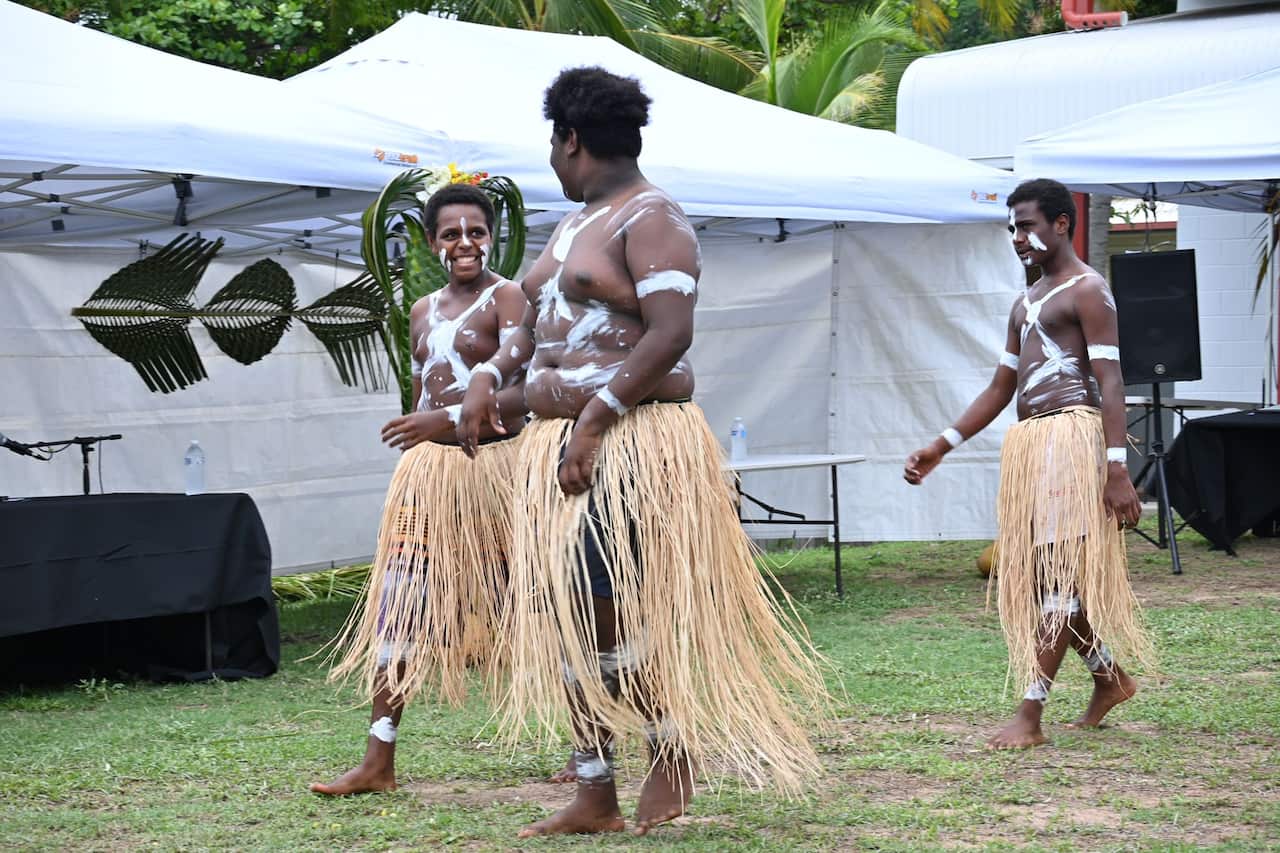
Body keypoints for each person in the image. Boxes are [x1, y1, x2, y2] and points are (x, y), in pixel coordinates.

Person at [456, 67, 828, 837]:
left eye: (553, 146)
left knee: (609, 604)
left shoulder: (653, 217)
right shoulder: (569, 228)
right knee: (561, 615)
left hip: (628, 440)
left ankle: (671, 741)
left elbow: (670, 333)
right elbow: (528, 335)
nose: (554, 161)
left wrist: (596, 418)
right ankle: (594, 789)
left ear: (571, 139)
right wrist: (488, 380)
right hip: (555, 441)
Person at [904, 178, 1153, 749]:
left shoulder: (1088, 291)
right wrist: (941, 444)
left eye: (1028, 225)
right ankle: (1108, 676)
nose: (1018, 238)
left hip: (1072, 438)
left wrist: (1117, 470)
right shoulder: (1027, 301)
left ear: (1061, 224)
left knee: (1057, 575)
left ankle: (1030, 714)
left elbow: (1112, 382)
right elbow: (1000, 387)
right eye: (1013, 228)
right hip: (1032, 443)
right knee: (1045, 575)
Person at [310, 184, 529, 795]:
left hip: (496, 473)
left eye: (477, 232)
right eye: (451, 233)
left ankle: (587, 749)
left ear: (490, 238)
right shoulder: (420, 309)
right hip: (428, 479)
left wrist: (448, 421)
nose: (465, 243)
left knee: (539, 605)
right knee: (400, 605)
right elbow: (420, 397)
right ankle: (378, 760)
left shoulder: (507, 296)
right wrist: (422, 440)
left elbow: (524, 396)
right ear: (433, 244)